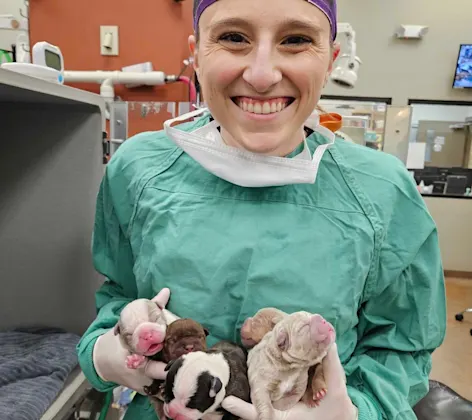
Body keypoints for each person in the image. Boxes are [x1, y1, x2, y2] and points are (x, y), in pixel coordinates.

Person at [76, 0, 447, 419]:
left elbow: (401, 344)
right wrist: (107, 351)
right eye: (234, 38)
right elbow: (120, 294)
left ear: (331, 60)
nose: (262, 74)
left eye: (297, 40)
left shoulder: (381, 192)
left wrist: (357, 410)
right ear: (197, 54)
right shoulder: (139, 170)